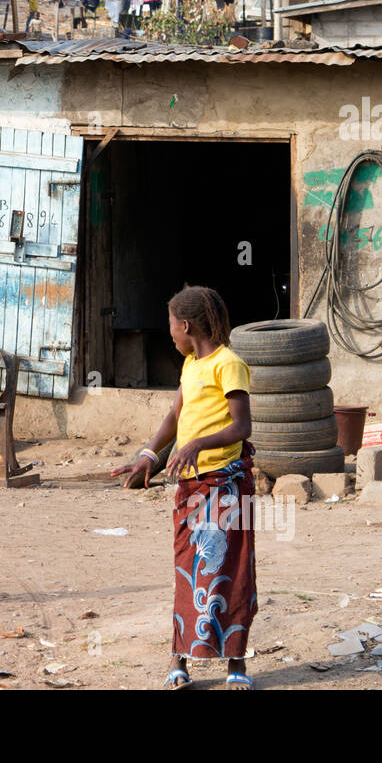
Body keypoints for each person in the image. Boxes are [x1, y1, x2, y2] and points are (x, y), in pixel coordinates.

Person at [112, 285, 256, 690]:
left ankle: (236, 664)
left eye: (171, 325)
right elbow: (176, 415)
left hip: (226, 485)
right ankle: (180, 659)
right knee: (188, 571)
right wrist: (148, 456)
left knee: (232, 572)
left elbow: (241, 427)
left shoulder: (229, 364)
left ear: (186, 324)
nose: (170, 333)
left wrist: (196, 444)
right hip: (191, 487)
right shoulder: (191, 365)